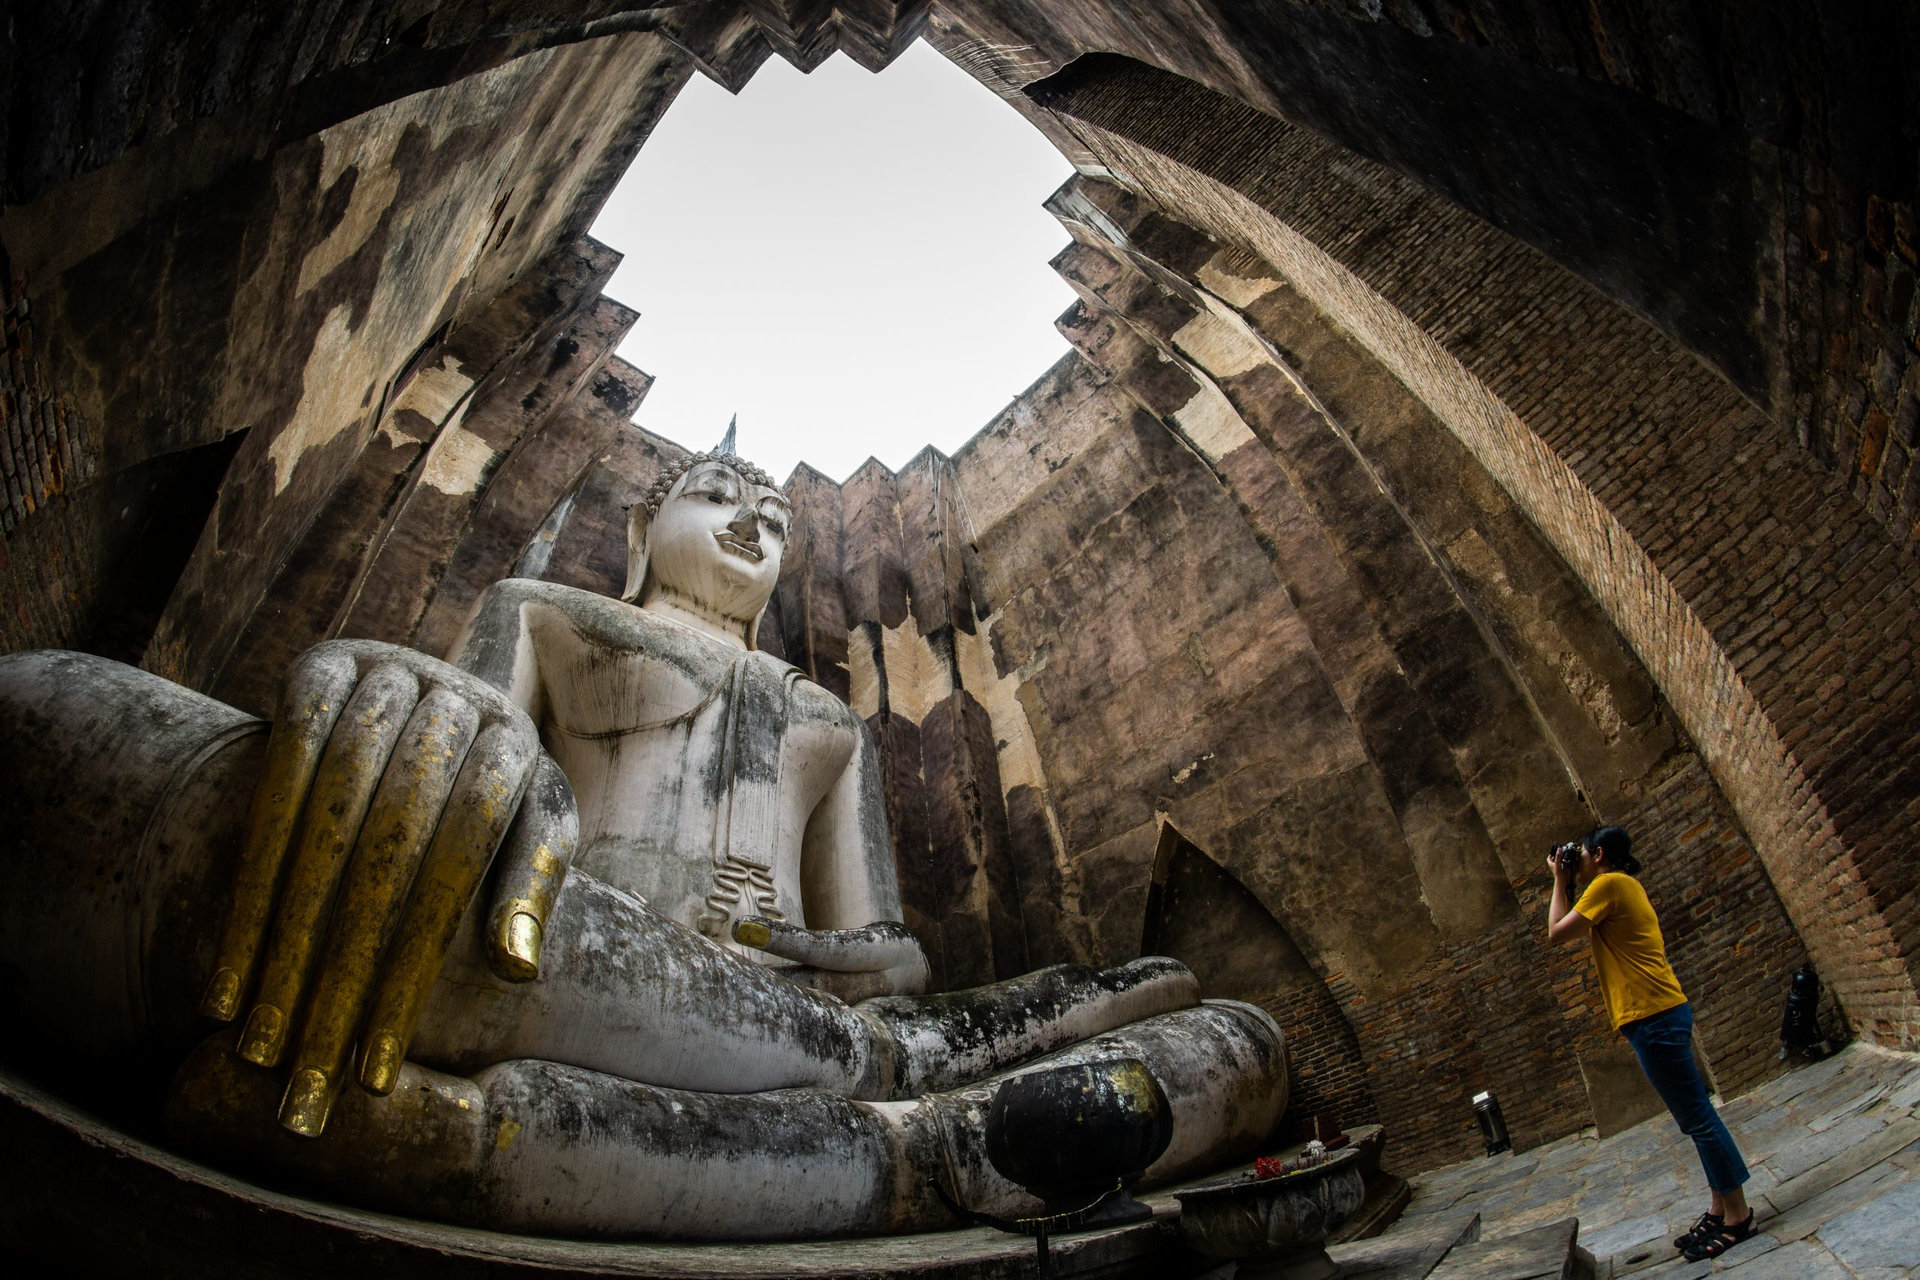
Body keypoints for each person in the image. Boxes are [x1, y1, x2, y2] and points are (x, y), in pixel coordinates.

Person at [0, 448, 1288, 1239]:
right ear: (641, 526)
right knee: (102, 750)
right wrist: (404, 702)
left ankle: (877, 1137)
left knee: (1212, 1026)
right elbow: (466, 782)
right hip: (557, 956)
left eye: (773, 518)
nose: (750, 524)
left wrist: (785, 937)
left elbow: (891, 955)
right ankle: (920, 1157)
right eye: (716, 495)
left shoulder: (825, 718)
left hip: (812, 1023)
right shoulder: (551, 614)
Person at [1545, 825, 1755, 1262]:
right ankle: (1720, 1208)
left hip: (1652, 1016)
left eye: (1580, 853)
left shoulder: (1608, 884)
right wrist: (1567, 878)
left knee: (1698, 1117)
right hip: (1659, 1011)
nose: (1576, 860)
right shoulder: (1622, 884)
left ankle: (1737, 1216)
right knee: (1694, 1116)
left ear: (1599, 855)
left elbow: (1556, 933)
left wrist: (1557, 882)